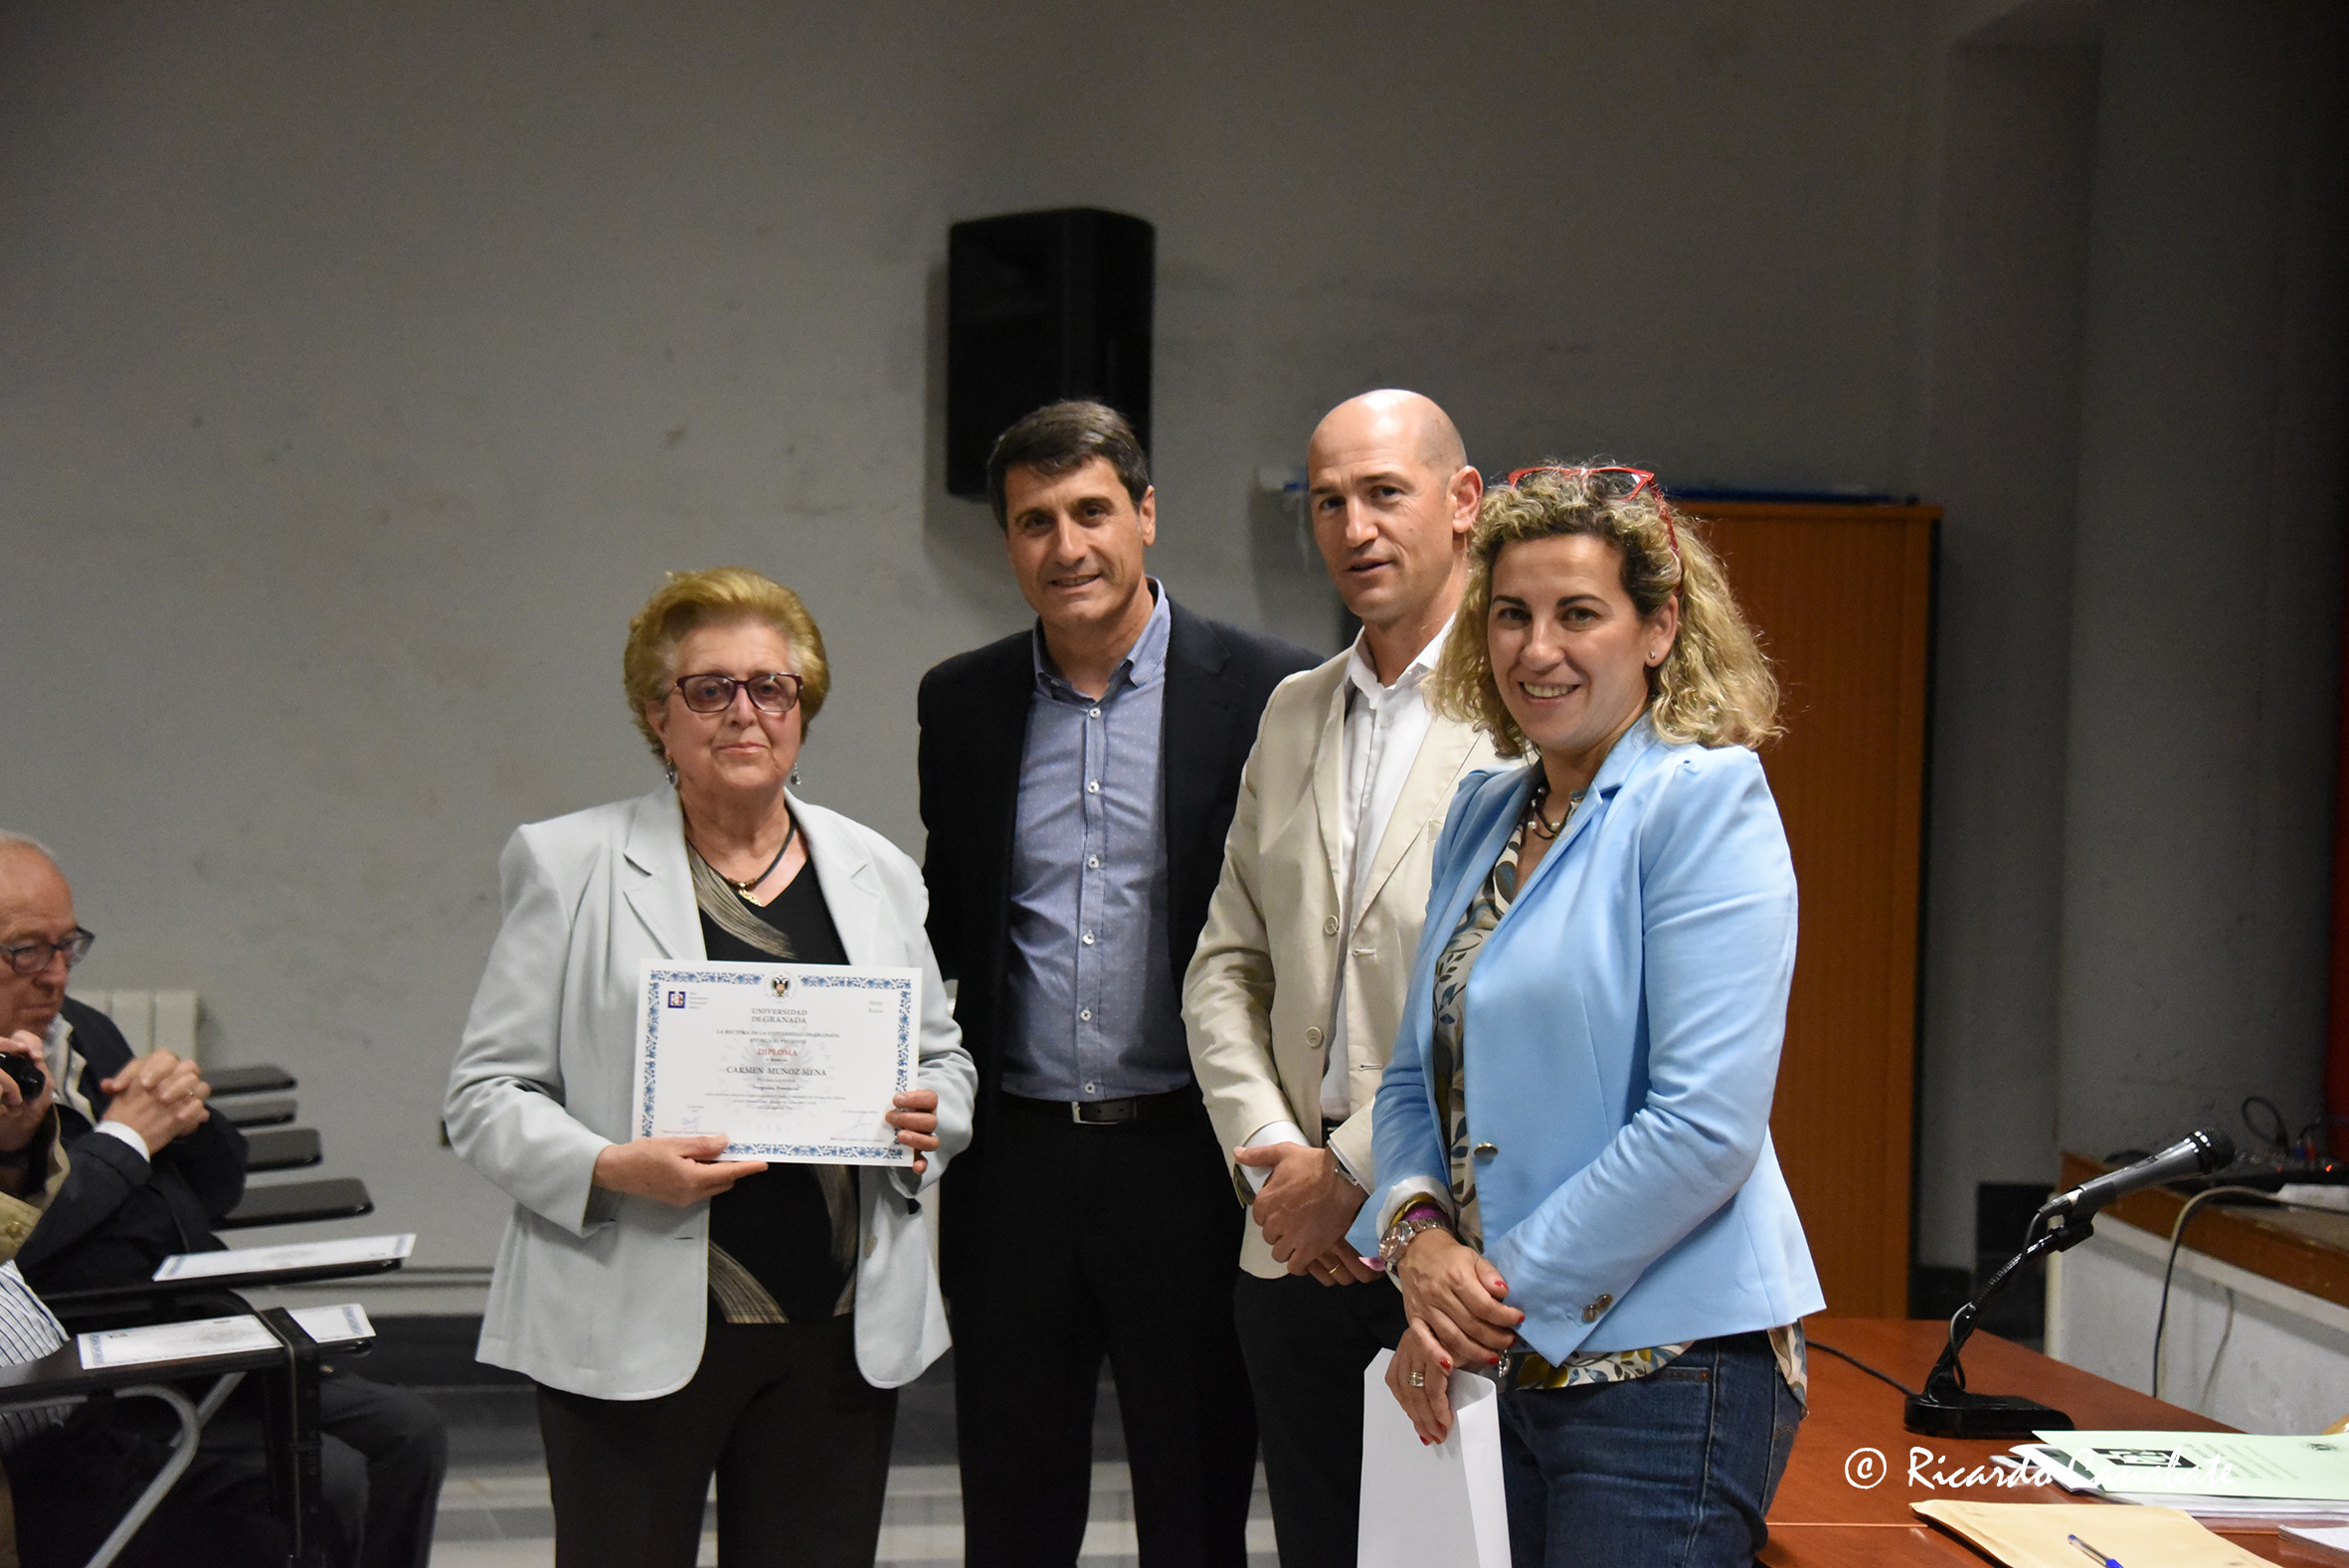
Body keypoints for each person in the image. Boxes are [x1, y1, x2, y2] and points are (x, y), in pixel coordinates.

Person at [445, 567, 975, 1568]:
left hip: (837, 1326)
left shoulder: (877, 870)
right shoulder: (568, 864)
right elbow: (483, 1095)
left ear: (801, 710)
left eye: (771, 687)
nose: (744, 710)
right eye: (709, 688)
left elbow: (943, 1058)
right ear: (658, 714)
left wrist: (928, 1120)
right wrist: (611, 1165)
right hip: (630, 1316)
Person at [1350, 466, 1824, 1567]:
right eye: (1510, 614)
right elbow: (1417, 1075)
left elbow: (1703, 1125)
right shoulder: (1485, 808)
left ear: (1659, 627)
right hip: (1505, 1359)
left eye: (1578, 613)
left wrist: (1482, 1297)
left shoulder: (1703, 798)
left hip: (1665, 1370)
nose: (1537, 648)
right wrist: (1417, 1240)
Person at [918, 401, 1316, 1566]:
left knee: (1195, 1508)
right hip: (1015, 1166)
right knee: (1011, 1510)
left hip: (1190, 1159)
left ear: (1144, 514)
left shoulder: (1270, 689)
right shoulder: (962, 700)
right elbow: (947, 921)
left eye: (1091, 510)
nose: (1067, 545)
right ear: (1007, 540)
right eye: (1034, 521)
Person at [1182, 389, 1498, 1567]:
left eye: (1384, 493)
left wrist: (1350, 1172)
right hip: (1290, 1244)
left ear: (1462, 502)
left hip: (1453, 1236)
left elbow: (1500, 991)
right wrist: (1277, 1162)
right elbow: (1226, 961)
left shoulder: (1524, 707)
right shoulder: (1293, 708)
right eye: (1328, 502)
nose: (1354, 527)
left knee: (1452, 1551)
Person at [0, 832, 445, 1568]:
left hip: (193, 1330)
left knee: (409, 1433)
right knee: (327, 1480)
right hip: (83, 1373)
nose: (55, 975)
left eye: (67, 945)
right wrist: (125, 1140)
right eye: (25, 952)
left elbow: (216, 1191)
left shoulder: (80, 1031)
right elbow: (28, 1262)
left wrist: (189, 1116)